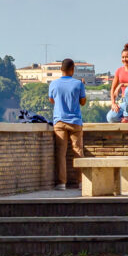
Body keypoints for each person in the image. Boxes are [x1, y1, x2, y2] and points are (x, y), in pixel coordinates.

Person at [47, 58, 87, 189]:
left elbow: (51, 100)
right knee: (78, 151)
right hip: (75, 121)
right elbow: (82, 102)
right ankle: (81, 182)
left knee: (61, 153)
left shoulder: (53, 84)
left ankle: (61, 183)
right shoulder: (78, 84)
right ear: (72, 69)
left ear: (61, 69)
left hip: (59, 121)